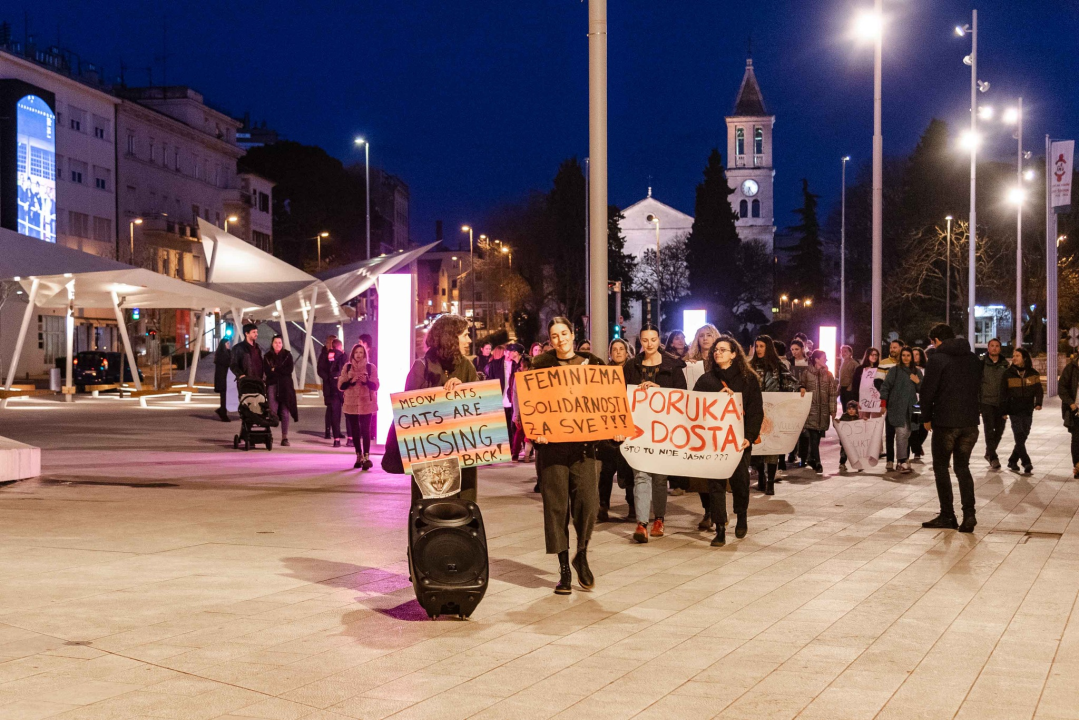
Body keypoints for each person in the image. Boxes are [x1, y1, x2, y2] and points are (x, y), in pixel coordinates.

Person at [531, 317, 614, 594]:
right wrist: (536, 432)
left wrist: (614, 429)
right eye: (554, 336)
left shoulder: (594, 364)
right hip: (552, 449)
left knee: (588, 505)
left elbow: (607, 402)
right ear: (550, 339)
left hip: (585, 448)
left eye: (564, 333)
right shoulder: (540, 365)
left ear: (573, 334)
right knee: (556, 508)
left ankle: (582, 553)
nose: (560, 339)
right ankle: (564, 569)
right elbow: (533, 404)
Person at [694, 336, 763, 546]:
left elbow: (755, 412)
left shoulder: (748, 379)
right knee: (715, 483)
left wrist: (749, 437)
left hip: (738, 440)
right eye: (716, 350)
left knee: (740, 481)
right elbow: (694, 408)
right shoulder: (706, 380)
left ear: (734, 354)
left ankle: (741, 515)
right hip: (713, 441)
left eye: (723, 350)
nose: (718, 353)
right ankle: (720, 527)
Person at [623, 324, 687, 543]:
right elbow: (622, 395)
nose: (648, 344)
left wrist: (661, 392)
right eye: (644, 340)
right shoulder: (631, 366)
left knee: (660, 478)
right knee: (640, 475)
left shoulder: (673, 366)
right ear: (640, 341)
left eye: (653, 340)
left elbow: (682, 397)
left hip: (664, 430)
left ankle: (659, 518)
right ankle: (641, 523)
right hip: (639, 430)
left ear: (660, 340)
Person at [404, 314, 480, 499]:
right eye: (464, 335)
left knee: (462, 516)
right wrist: (442, 393)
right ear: (450, 338)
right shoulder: (421, 368)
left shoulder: (467, 367)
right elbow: (409, 416)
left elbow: (479, 409)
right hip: (430, 466)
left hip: (463, 461)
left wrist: (464, 391)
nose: (469, 340)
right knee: (431, 517)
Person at [919, 323, 983, 533]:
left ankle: (947, 514)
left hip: (946, 422)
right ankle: (969, 514)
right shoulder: (973, 358)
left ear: (937, 340)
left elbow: (928, 392)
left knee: (941, 467)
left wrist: (926, 418)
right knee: (962, 468)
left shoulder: (937, 359)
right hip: (970, 423)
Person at [749, 334, 802, 494]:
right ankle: (761, 479)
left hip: (773, 411)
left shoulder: (778, 365)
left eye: (761, 346)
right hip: (754, 411)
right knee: (756, 446)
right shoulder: (750, 366)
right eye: (756, 346)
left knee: (772, 447)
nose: (758, 349)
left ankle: (770, 483)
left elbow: (789, 381)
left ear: (768, 348)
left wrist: (799, 388)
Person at [683, 323, 721, 529]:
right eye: (701, 336)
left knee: (716, 469)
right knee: (699, 471)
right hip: (696, 422)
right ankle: (707, 511)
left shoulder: (722, 362)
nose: (705, 339)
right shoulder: (691, 364)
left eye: (709, 335)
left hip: (718, 421)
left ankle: (717, 511)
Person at [597, 339, 633, 522]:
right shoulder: (603, 374)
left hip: (630, 426)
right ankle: (603, 505)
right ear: (610, 353)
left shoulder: (634, 371)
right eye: (615, 349)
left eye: (622, 349)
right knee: (607, 468)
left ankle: (633, 505)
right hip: (609, 428)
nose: (618, 352)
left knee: (630, 467)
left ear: (627, 352)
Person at [880, 347, 923, 473]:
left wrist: (918, 382)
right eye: (903, 355)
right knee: (902, 433)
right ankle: (902, 460)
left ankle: (904, 459)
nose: (905, 357)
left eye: (908, 355)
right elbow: (885, 387)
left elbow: (923, 389)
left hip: (914, 406)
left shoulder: (916, 371)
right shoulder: (895, 371)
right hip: (897, 406)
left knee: (911, 432)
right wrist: (883, 404)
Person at [1001, 347, 1043, 474]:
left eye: (1017, 355)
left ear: (1024, 358)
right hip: (1014, 410)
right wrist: (1003, 411)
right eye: (1013, 355)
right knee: (1019, 434)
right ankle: (1026, 462)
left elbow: (1038, 390)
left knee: (1024, 435)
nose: (1014, 358)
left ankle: (1012, 460)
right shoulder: (1007, 374)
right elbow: (1002, 394)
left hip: (1028, 409)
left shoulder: (1033, 373)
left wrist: (1038, 403)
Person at [340, 342, 379, 470]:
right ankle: (359, 455)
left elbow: (376, 385)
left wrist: (366, 381)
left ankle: (367, 456)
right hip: (350, 404)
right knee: (355, 431)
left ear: (364, 354)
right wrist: (351, 381)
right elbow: (341, 386)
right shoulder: (347, 367)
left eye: (361, 352)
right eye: (356, 352)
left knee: (366, 431)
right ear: (353, 354)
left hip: (366, 403)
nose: (358, 355)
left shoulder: (370, 367)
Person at [802, 349, 839, 473]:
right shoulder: (807, 373)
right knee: (813, 435)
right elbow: (801, 386)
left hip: (823, 411)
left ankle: (810, 458)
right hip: (810, 409)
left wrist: (833, 410)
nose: (826, 360)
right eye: (824, 357)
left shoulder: (828, 375)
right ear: (817, 359)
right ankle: (817, 462)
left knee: (817, 437)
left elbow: (833, 393)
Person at [978, 338, 1009, 470]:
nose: (994, 348)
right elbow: (977, 383)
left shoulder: (1005, 364)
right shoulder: (981, 363)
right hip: (986, 402)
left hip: (1001, 403)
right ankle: (993, 457)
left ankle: (989, 452)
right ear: (988, 348)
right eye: (992, 346)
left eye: (997, 346)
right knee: (989, 429)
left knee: (1000, 429)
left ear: (1000, 348)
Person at [264, 335, 298, 447]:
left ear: (282, 344)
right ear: (272, 343)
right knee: (272, 411)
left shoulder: (287, 355)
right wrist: (278, 371)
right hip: (272, 385)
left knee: (285, 412)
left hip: (285, 387)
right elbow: (268, 372)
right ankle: (268, 434)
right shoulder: (267, 356)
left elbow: (289, 370)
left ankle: (285, 437)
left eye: (280, 342)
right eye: (276, 342)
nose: (278, 344)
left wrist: (276, 369)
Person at [486, 343, 521, 439]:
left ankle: (511, 449)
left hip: (512, 401)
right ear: (505, 352)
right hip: (499, 400)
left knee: (512, 428)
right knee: (500, 427)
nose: (511, 353)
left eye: (514, 351)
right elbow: (489, 380)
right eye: (509, 351)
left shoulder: (517, 365)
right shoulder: (495, 364)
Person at [786, 339, 811, 466]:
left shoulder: (809, 362)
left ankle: (804, 457)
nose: (794, 352)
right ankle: (791, 452)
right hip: (793, 397)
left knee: (805, 429)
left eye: (797, 349)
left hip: (807, 397)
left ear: (802, 349)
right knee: (793, 426)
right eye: (792, 350)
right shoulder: (789, 362)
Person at [879, 339, 904, 468]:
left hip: (906, 404)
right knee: (890, 433)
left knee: (904, 433)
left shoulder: (905, 364)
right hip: (890, 404)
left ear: (901, 348)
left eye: (895, 347)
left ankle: (903, 460)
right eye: (891, 347)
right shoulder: (884, 364)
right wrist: (885, 400)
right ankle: (890, 460)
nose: (892, 350)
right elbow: (878, 382)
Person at [318, 340, 345, 446]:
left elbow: (322, 370)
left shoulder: (327, 356)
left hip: (330, 386)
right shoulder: (341, 355)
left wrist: (328, 378)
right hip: (335, 387)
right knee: (333, 410)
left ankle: (335, 436)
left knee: (333, 410)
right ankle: (331, 432)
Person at [1058, 352, 1079, 478]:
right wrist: (1071, 403)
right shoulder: (1071, 368)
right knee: (1077, 439)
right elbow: (1062, 388)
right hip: (1075, 410)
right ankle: (1077, 466)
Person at [510, 355, 534, 465]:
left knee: (530, 431)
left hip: (532, 406)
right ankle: (515, 453)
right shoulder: (518, 376)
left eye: (527, 367)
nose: (525, 369)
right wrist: (516, 413)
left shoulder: (532, 375)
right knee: (519, 431)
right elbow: (515, 395)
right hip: (521, 407)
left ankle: (527, 454)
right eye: (524, 366)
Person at [908, 347, 930, 460]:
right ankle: (916, 449)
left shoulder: (928, 369)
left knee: (925, 426)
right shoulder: (910, 369)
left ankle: (917, 446)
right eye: (913, 354)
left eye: (917, 354)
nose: (915, 356)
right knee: (915, 425)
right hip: (915, 401)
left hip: (926, 401)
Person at [317, 335, 338, 439]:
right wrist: (328, 378)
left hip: (335, 385)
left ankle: (336, 431)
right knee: (330, 407)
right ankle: (328, 430)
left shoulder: (336, 353)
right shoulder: (324, 354)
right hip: (328, 385)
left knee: (336, 408)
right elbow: (320, 370)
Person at [837, 401, 861, 472]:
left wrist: (864, 421)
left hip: (855, 440)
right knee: (844, 452)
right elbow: (837, 426)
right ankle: (842, 463)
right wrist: (837, 422)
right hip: (846, 440)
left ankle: (859, 465)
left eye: (853, 409)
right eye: (849, 409)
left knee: (857, 452)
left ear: (856, 410)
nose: (851, 411)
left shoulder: (857, 418)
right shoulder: (844, 417)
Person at [213, 338, 232, 422]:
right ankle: (223, 414)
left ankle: (221, 410)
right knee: (224, 397)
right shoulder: (221, 355)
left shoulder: (228, 353)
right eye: (227, 344)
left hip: (227, 378)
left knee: (226, 397)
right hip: (222, 379)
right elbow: (227, 364)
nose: (229, 345)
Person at [838, 345, 858, 410]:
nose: (843, 353)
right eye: (842, 351)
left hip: (849, 389)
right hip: (843, 388)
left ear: (850, 353)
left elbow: (856, 377)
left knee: (850, 408)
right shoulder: (843, 362)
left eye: (845, 351)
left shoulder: (854, 363)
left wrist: (850, 387)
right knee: (844, 407)